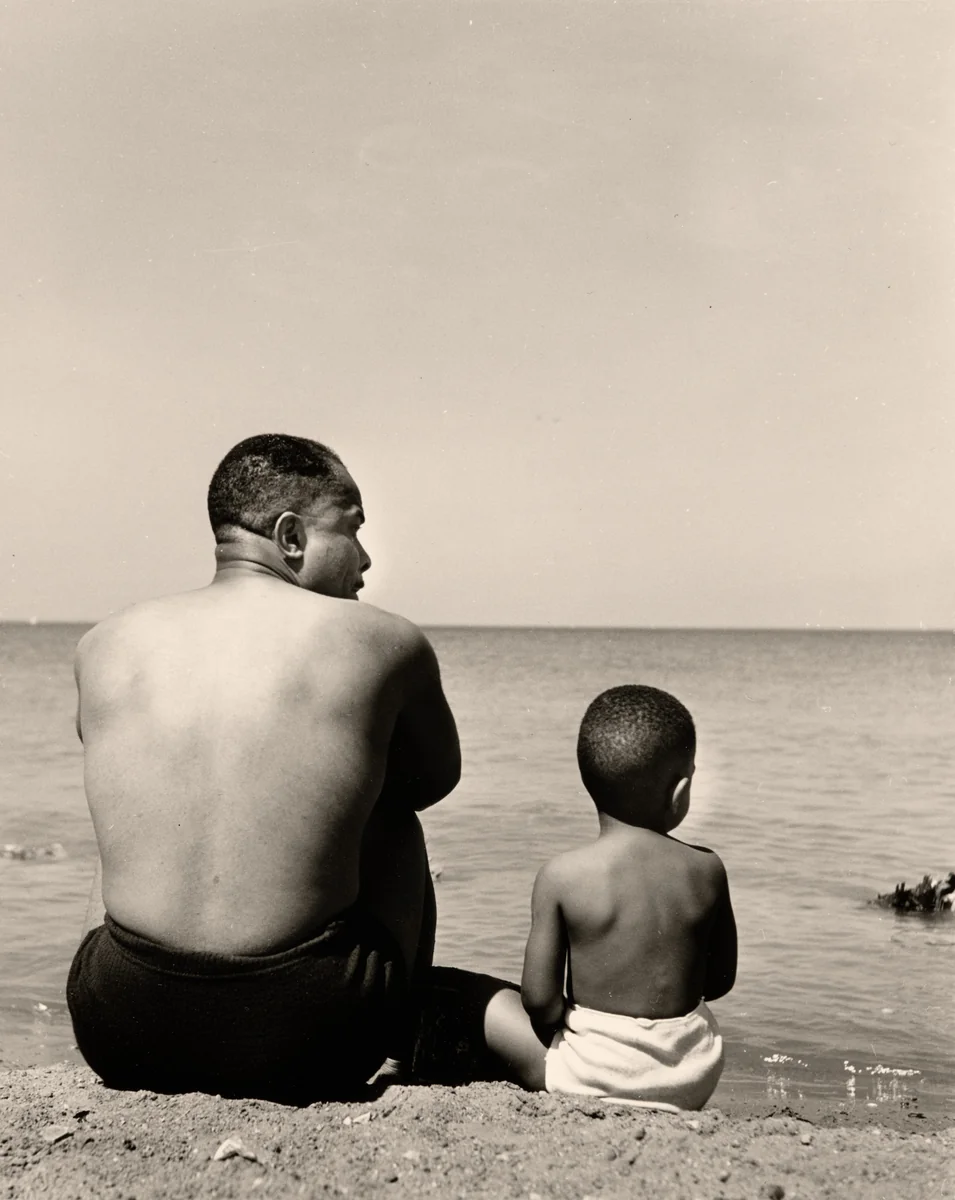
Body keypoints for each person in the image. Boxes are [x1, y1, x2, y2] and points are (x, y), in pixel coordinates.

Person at [67, 434, 460, 1103]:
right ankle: (402, 1044)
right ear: (291, 536)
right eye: (353, 530)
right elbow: (429, 783)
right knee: (390, 815)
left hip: (119, 1029)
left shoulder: (105, 641)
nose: (365, 560)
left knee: (139, 815)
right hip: (310, 1032)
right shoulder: (383, 638)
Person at [482, 684, 737, 1110]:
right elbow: (719, 982)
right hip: (693, 1075)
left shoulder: (562, 875)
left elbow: (540, 1001)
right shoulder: (708, 868)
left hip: (592, 1075)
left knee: (487, 1003)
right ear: (679, 792)